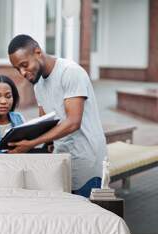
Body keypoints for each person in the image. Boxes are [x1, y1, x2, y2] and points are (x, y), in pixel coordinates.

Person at [7, 34, 107, 197]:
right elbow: (46, 122)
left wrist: (32, 143)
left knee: (86, 219)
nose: (23, 73)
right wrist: (17, 140)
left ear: (38, 52)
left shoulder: (70, 72)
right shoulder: (38, 84)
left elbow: (73, 122)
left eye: (24, 65)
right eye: (18, 69)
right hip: (62, 163)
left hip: (87, 164)